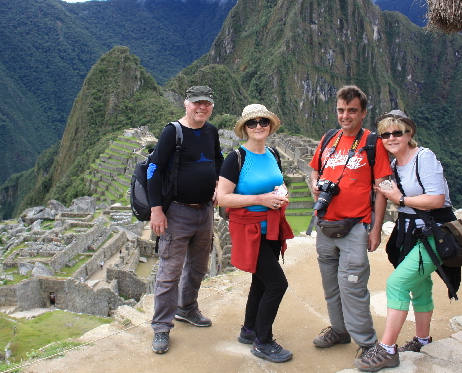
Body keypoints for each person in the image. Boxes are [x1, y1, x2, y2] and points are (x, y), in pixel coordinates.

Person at [353, 110, 456, 371]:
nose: (391, 137)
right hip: (411, 233)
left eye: (397, 132)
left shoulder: (424, 157)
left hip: (435, 233)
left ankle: (387, 349)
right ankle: (422, 340)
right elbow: (382, 195)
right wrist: (376, 228)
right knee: (419, 286)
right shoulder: (394, 166)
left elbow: (436, 199)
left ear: (409, 134)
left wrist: (401, 200)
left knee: (397, 284)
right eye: (385, 134)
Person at [308, 86, 392, 365]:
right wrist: (315, 185)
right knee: (331, 285)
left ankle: (368, 344)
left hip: (355, 227)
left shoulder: (373, 143)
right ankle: (339, 331)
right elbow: (315, 168)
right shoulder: (329, 138)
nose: (345, 116)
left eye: (352, 110)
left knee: (353, 286)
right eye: (341, 110)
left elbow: (381, 189)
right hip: (325, 226)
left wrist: (376, 229)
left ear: (363, 113)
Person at [148, 86, 224, 354]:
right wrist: (156, 210)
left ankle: (187, 308)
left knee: (199, 266)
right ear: (186, 104)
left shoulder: (211, 131)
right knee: (170, 270)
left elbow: (218, 162)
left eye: (206, 103)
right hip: (177, 213)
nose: (201, 107)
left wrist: (218, 186)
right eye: (196, 103)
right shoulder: (173, 132)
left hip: (204, 212)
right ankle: (161, 327)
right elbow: (154, 169)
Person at [217, 104, 295, 363]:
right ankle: (263, 341)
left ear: (270, 126)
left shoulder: (273, 153)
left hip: (270, 227)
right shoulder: (235, 158)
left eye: (263, 121)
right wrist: (261, 198)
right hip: (248, 229)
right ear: (245, 128)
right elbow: (223, 198)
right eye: (253, 123)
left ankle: (249, 330)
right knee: (277, 284)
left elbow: (277, 182)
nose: (259, 126)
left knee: (261, 282)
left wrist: (282, 193)